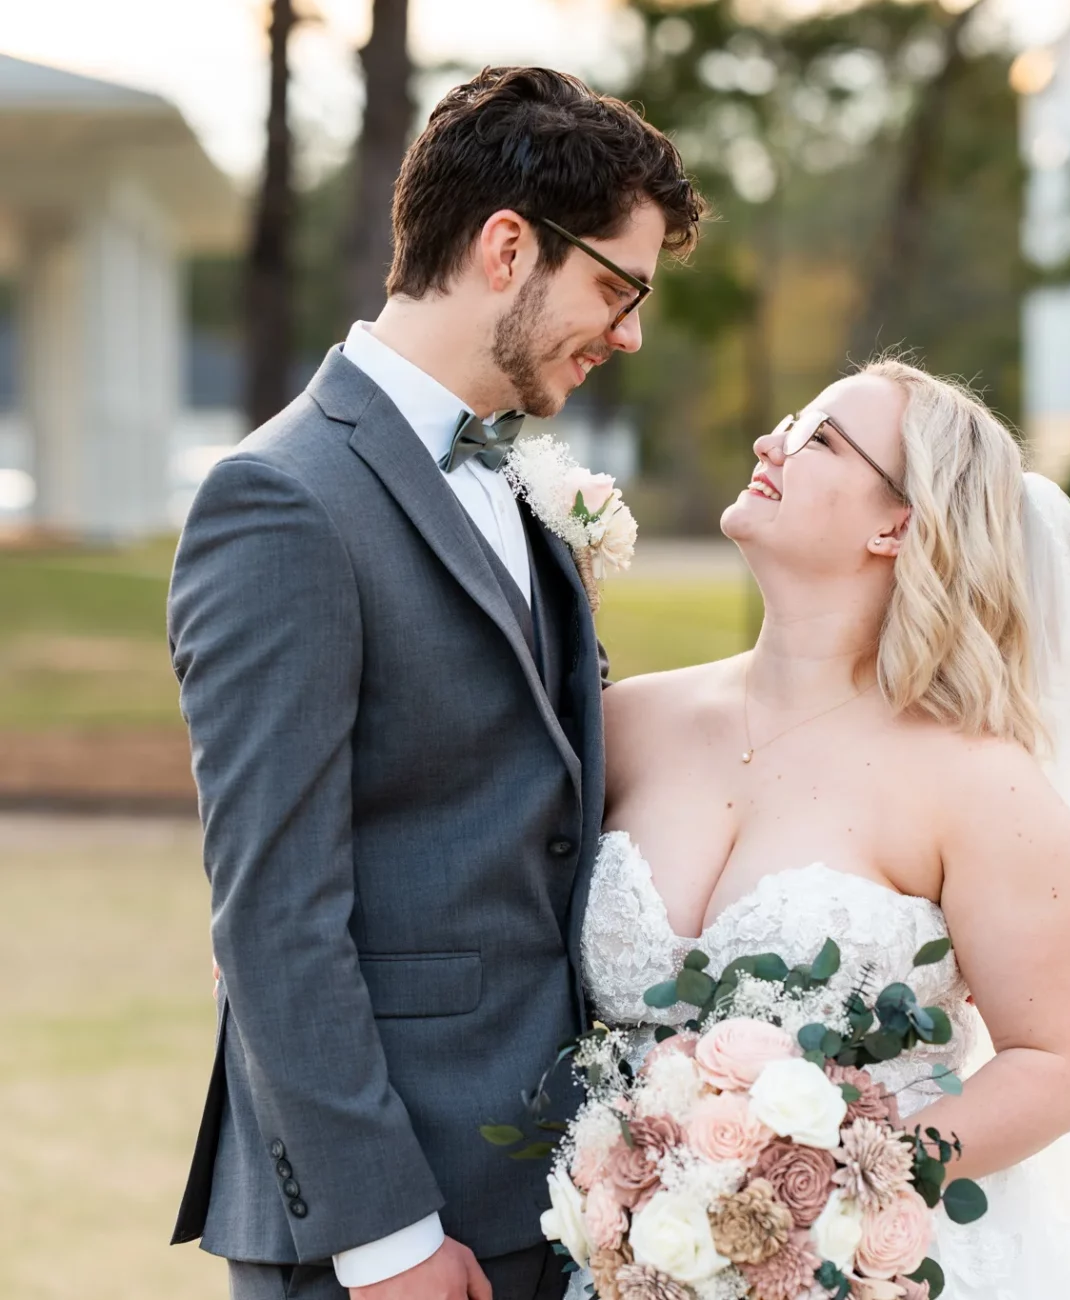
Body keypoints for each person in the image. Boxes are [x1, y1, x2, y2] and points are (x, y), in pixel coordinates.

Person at [168, 66, 704, 1300]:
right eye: (616, 288)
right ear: (508, 246)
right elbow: (271, 909)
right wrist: (386, 1237)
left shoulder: (519, 484)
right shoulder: (282, 502)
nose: (628, 333)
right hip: (392, 1223)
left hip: (558, 1186)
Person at [585, 359, 1070, 1298]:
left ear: (898, 523)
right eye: (789, 420)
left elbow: (1063, 1064)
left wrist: (831, 1182)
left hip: (863, 1269)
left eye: (821, 440)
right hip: (621, 1260)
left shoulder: (980, 786)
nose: (772, 442)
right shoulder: (628, 725)